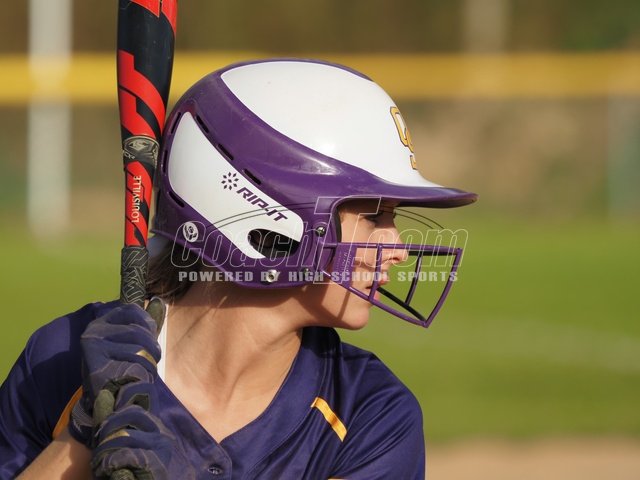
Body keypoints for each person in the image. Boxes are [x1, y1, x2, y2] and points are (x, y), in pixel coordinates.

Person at [0, 58, 476, 479]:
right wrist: (83, 437)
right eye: (374, 216)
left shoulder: (373, 413)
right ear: (270, 212)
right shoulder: (67, 358)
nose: (397, 249)